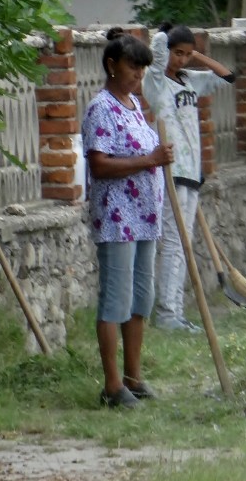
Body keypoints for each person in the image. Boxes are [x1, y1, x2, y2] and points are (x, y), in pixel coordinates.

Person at [83, 28, 174, 408]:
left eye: (142, 69)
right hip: (118, 219)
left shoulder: (135, 106)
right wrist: (150, 160)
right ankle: (112, 386)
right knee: (116, 302)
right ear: (111, 65)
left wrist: (159, 158)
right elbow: (100, 164)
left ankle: (134, 378)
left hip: (145, 217)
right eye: (132, 67)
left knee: (141, 300)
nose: (138, 75)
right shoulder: (101, 107)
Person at [143, 22, 236, 334]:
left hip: (192, 172)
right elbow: (156, 47)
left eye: (185, 54)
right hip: (170, 171)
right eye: (176, 53)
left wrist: (196, 54)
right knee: (172, 241)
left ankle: (177, 313)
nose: (180, 60)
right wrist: (166, 35)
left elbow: (228, 76)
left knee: (184, 244)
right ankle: (166, 314)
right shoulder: (155, 82)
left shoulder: (190, 80)